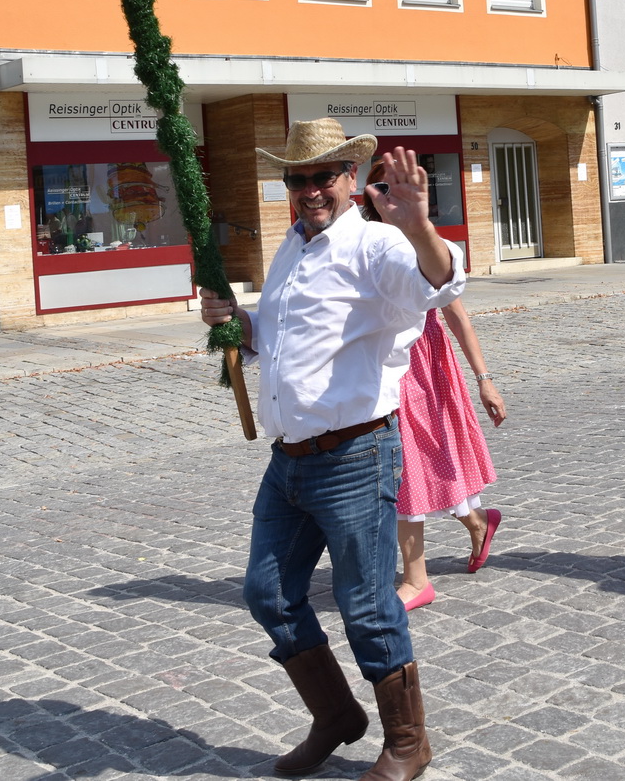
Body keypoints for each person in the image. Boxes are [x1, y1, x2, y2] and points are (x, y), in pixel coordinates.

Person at [199, 119, 463, 781]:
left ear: (351, 177)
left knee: (369, 604)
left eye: (324, 174)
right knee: (269, 593)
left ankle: (409, 742)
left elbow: (442, 282)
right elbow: (277, 336)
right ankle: (338, 717)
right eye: (298, 176)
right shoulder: (290, 245)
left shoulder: (378, 243)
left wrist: (420, 224)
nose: (310, 188)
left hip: (355, 455)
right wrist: (235, 321)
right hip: (289, 460)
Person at [360, 195, 508, 612]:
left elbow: (457, 317)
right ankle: (478, 522)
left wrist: (485, 380)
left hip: (421, 368)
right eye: (379, 193)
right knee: (411, 464)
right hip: (377, 364)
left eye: (394, 192)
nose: (387, 202)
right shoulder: (362, 243)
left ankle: (415, 578)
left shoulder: (421, 246)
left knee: (410, 464)